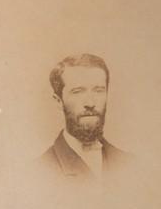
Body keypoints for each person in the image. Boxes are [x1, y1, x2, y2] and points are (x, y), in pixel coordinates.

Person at [40, 53, 131, 184]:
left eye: (98, 90)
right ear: (59, 101)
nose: (90, 102)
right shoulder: (41, 170)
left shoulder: (129, 164)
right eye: (77, 92)